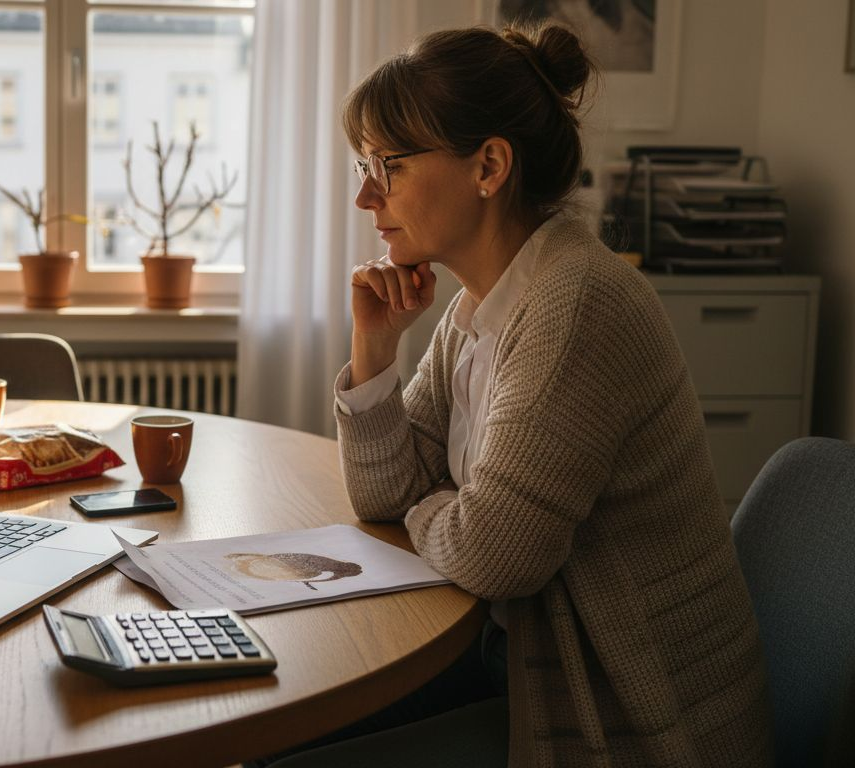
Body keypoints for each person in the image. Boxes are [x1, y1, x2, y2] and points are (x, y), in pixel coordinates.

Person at [278, 23, 773, 767]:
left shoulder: (576, 306)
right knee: (289, 707)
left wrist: (435, 501)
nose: (363, 195)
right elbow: (384, 495)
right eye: (362, 163)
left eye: (389, 165)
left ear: (489, 165)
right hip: (520, 653)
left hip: (630, 712)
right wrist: (377, 350)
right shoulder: (480, 308)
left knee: (284, 743)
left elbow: (495, 554)